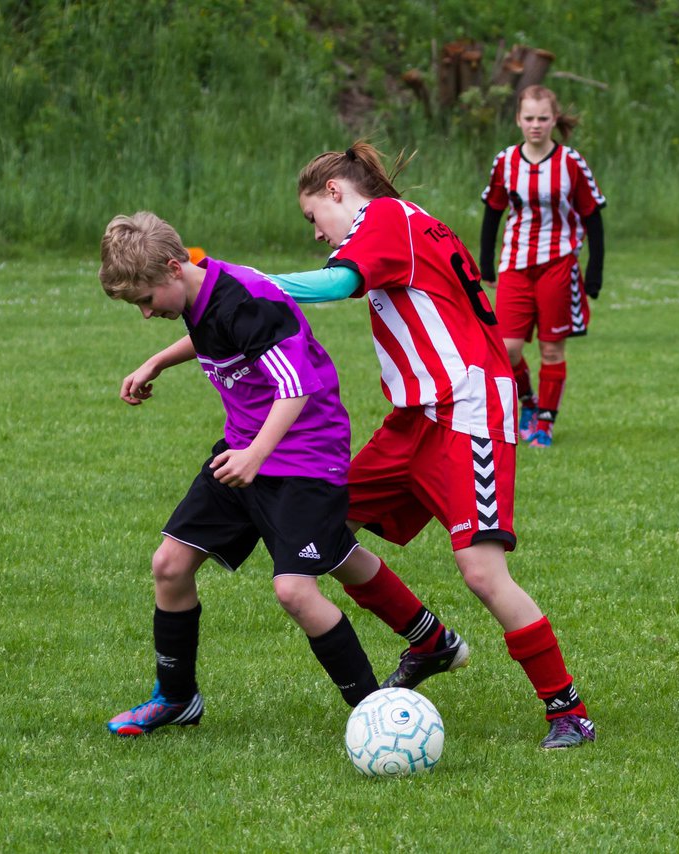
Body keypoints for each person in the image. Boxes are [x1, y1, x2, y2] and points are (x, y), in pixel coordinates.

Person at [264, 142, 596, 748]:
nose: (317, 233)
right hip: (415, 416)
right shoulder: (400, 223)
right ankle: (429, 640)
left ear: (336, 191)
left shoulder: (386, 217)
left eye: (313, 216)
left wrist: (246, 283)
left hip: (467, 411)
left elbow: (339, 282)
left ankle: (566, 709)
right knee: (322, 522)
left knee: (481, 571)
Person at [97, 212, 466, 735]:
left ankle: (374, 718)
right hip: (247, 447)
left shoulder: (247, 299)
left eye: (145, 300)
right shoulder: (200, 290)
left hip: (306, 456)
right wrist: (158, 361)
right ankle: (177, 698)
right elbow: (216, 338)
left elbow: (296, 387)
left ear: (174, 269)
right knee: (170, 565)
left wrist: (253, 457)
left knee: (295, 590)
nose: (144, 312)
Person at [478, 85, 606, 448]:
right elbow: (493, 211)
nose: (536, 125)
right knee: (507, 349)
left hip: (558, 264)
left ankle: (545, 423)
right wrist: (486, 263)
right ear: (518, 119)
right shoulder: (505, 161)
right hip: (515, 264)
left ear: (554, 119)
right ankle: (528, 402)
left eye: (543, 118)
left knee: (552, 349)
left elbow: (592, 216)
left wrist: (594, 270)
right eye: (529, 118)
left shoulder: (570, 162)